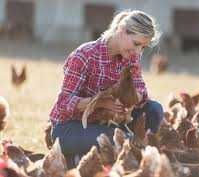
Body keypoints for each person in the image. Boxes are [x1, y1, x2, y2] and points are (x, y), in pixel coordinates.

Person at [49, 9, 164, 168]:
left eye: (143, 48)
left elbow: (141, 91)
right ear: (122, 31)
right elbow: (63, 104)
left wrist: (127, 100)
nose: (137, 52)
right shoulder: (84, 56)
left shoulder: (131, 56)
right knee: (116, 139)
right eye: (136, 44)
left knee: (154, 110)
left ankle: (131, 156)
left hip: (107, 123)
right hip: (70, 127)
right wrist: (101, 102)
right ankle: (77, 156)